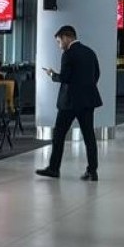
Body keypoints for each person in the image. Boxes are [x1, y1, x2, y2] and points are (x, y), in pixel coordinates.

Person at [36, 25, 102, 180]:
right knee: (89, 136)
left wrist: (52, 75)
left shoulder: (68, 54)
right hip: (87, 100)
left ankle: (54, 168)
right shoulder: (90, 52)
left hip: (69, 102)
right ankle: (92, 171)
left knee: (59, 135)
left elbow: (65, 78)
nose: (59, 45)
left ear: (67, 37)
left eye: (59, 41)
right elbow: (97, 74)